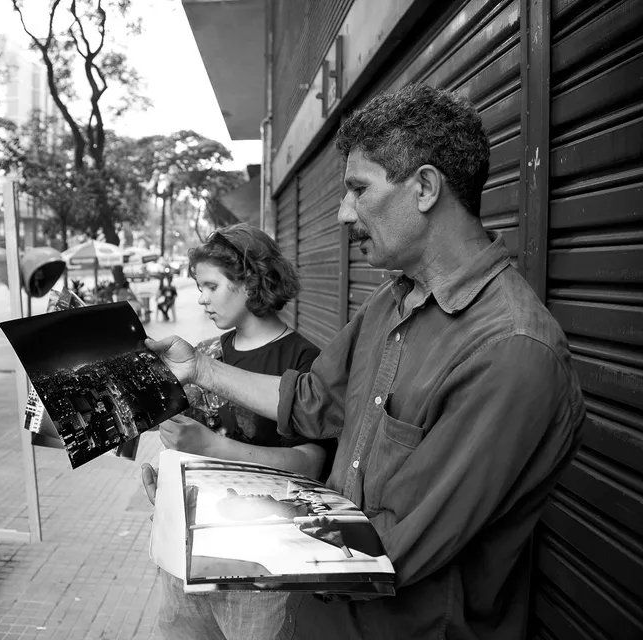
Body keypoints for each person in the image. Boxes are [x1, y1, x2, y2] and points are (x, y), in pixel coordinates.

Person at [146, 84, 585, 639]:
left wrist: (221, 518)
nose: (341, 212)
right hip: (325, 615)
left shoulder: (512, 351)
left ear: (425, 187)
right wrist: (199, 370)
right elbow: (313, 401)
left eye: (358, 188)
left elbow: (390, 548)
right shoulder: (392, 301)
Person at [143, 223, 332, 640]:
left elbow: (311, 464)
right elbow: (189, 433)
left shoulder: (305, 360)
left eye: (211, 285)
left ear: (250, 281)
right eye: (198, 286)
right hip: (186, 556)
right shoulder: (207, 352)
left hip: (261, 573)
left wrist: (213, 446)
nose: (201, 297)